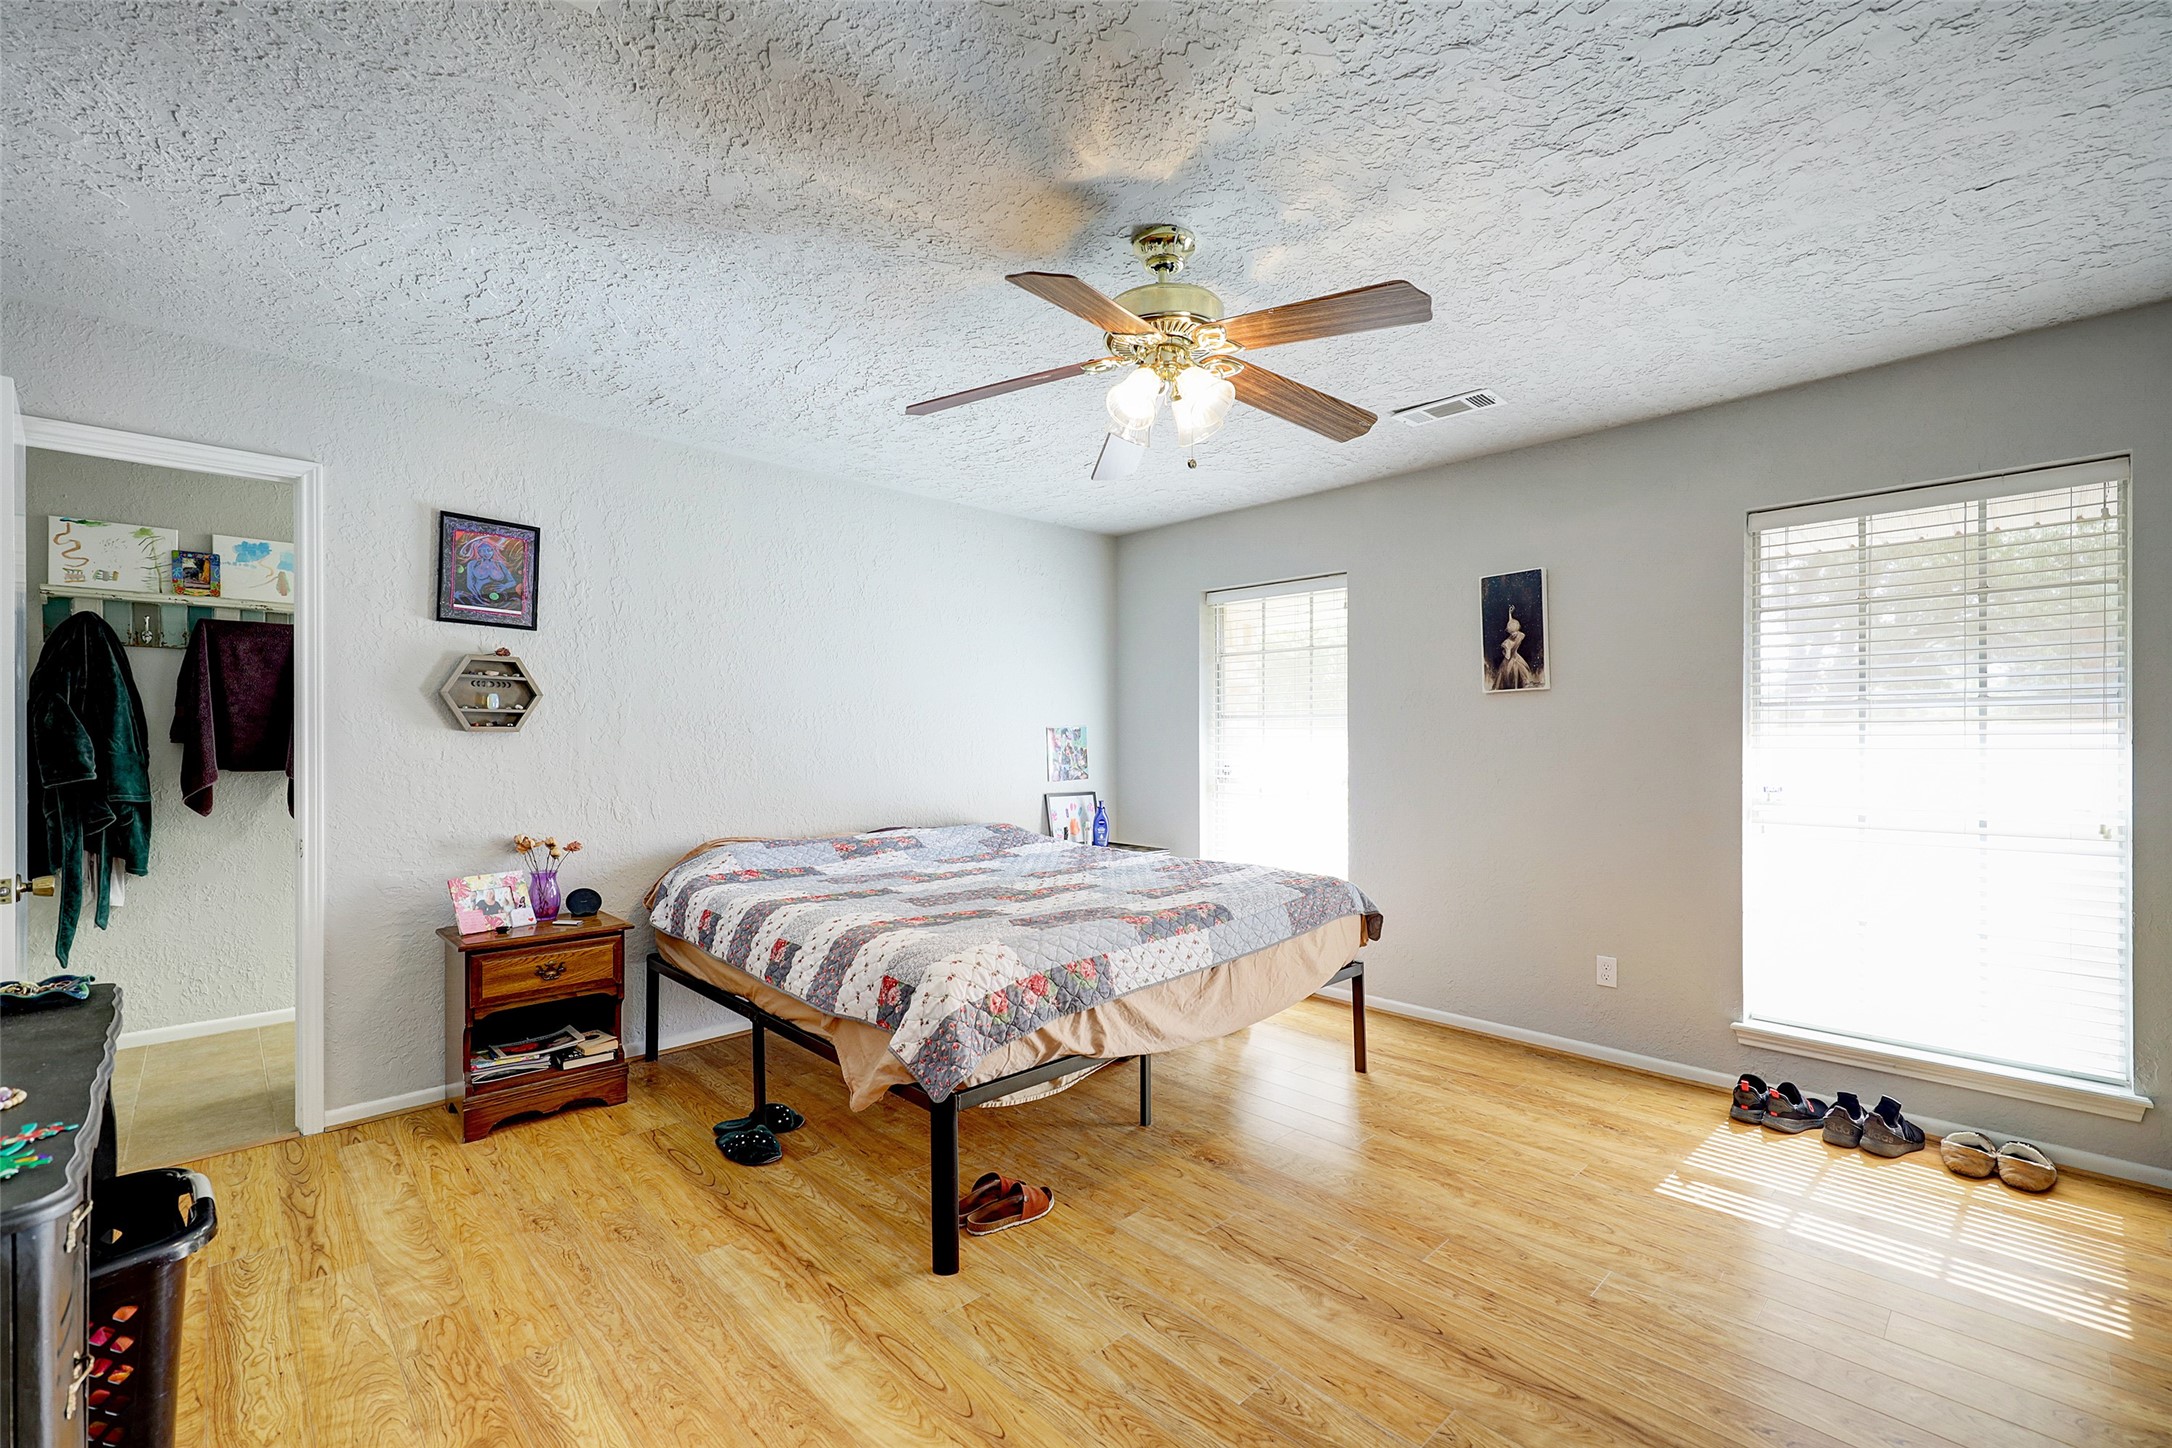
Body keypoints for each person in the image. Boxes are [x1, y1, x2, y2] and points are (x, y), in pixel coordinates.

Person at [1493, 604, 1537, 690]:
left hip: (1510, 661)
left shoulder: (1507, 642)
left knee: (1510, 675)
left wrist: (1507, 649)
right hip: (1516, 658)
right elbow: (1512, 624)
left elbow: (1508, 657)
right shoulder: (1520, 635)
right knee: (1520, 674)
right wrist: (1510, 614)